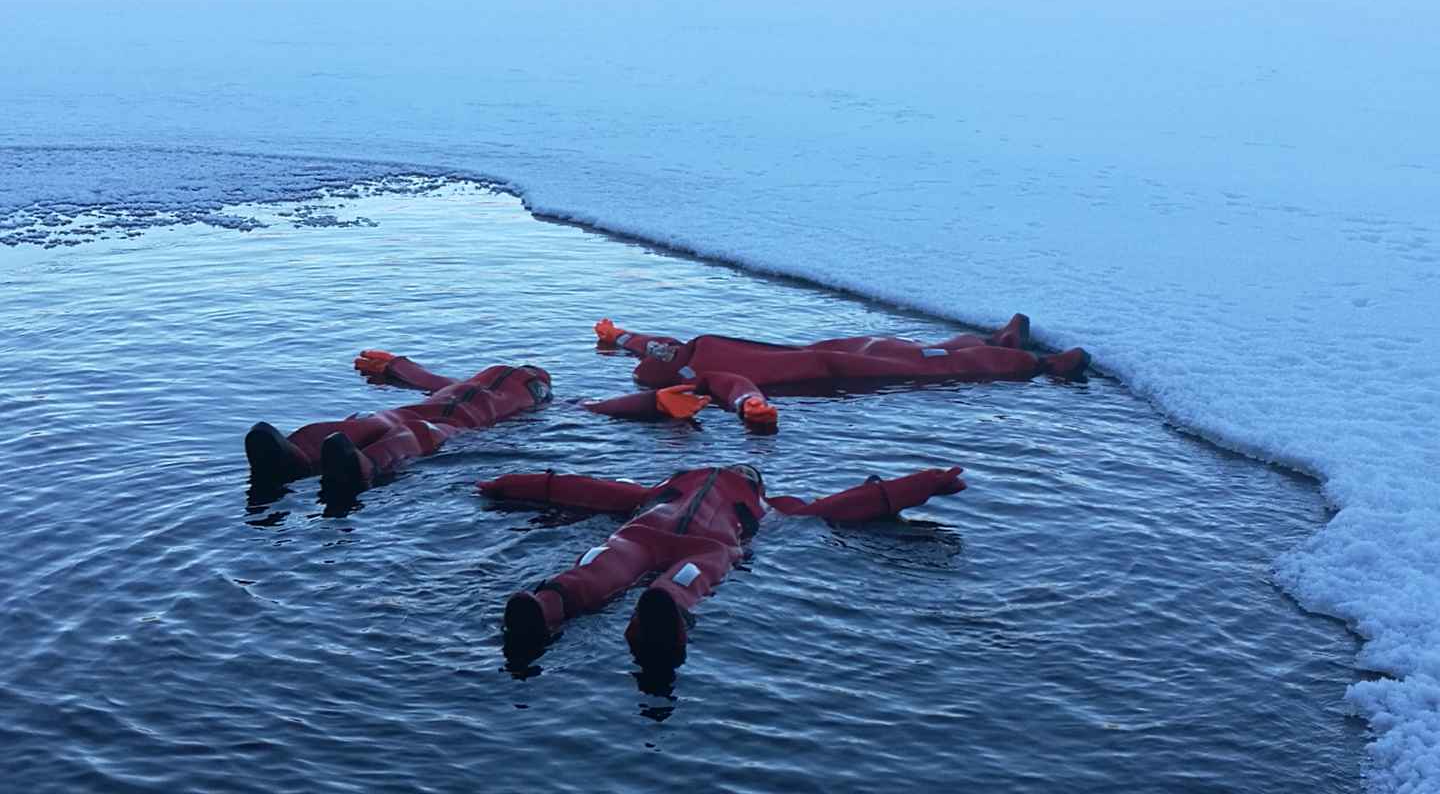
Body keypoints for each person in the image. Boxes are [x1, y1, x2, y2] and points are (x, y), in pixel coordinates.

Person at [482, 463, 967, 669]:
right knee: (690, 581)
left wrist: (508, 483)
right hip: (708, 547)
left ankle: (544, 606)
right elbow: (844, 505)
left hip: (640, 534)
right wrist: (922, 483)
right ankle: (664, 609)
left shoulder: (662, 490)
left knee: (593, 571)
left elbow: (579, 489)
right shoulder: (769, 507)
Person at [587, 313, 1089, 432]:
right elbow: (730, 385)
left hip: (829, 358)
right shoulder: (688, 365)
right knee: (924, 361)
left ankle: (1019, 354)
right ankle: (1024, 356)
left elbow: (647, 347)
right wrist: (750, 408)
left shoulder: (682, 360)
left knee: (921, 358)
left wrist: (618, 337)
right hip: (828, 360)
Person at [244, 353, 552, 501]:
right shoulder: (460, 386)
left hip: (451, 426)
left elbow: (425, 379)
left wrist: (395, 365)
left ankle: (358, 464)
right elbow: (427, 379)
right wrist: (394, 364)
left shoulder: (537, 403)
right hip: (423, 414)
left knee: (414, 431)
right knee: (375, 423)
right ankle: (293, 454)